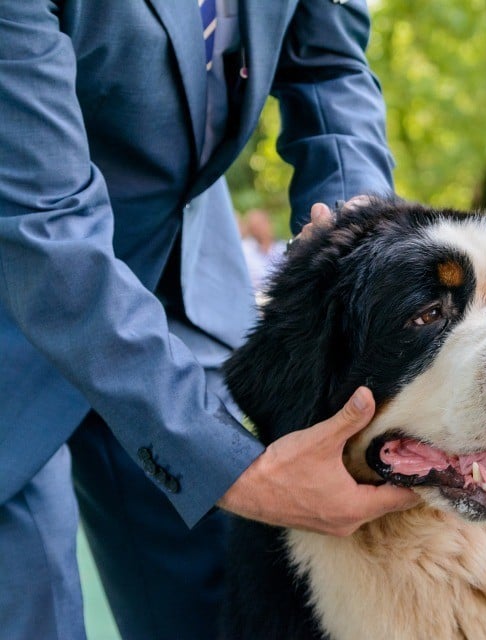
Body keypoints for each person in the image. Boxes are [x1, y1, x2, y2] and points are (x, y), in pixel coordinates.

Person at [0, 3, 420, 639]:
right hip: (17, 289)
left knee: (232, 601)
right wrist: (237, 471)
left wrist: (354, 218)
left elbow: (327, 64)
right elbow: (44, 224)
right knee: (31, 605)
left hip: (186, 279)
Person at [241, 209, 286, 294]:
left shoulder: (282, 248)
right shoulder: (245, 250)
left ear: (269, 224)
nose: (259, 229)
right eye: (254, 226)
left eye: (261, 224)